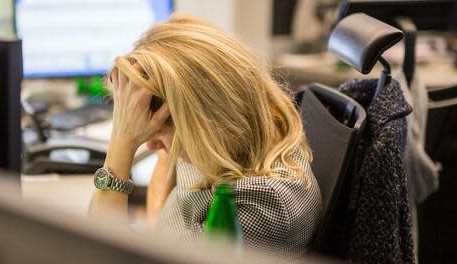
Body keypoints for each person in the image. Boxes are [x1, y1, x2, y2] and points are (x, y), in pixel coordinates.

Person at [89, 14, 322, 256]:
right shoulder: (241, 135)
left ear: (206, 122)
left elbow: (95, 256)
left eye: (162, 133)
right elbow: (167, 162)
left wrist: (121, 144)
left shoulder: (261, 204)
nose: (151, 145)